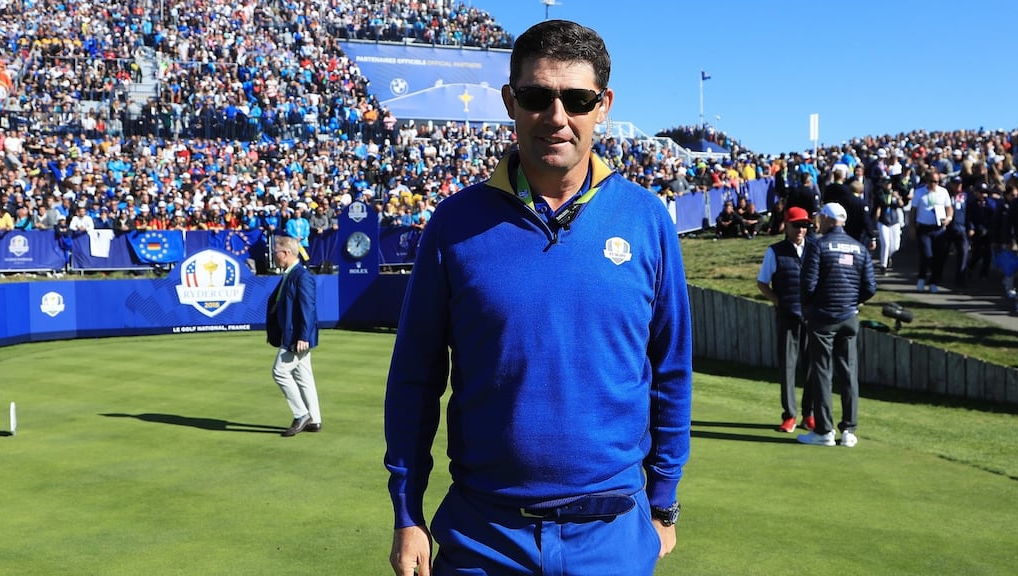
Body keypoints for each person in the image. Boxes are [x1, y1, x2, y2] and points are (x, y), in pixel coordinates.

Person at [384, 19, 692, 576]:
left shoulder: (647, 219)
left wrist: (664, 500)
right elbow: (414, 378)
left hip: (613, 533)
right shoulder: (454, 223)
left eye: (577, 98)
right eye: (536, 96)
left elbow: (670, 371)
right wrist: (407, 514)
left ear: (603, 105)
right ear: (510, 100)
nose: (557, 117)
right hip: (484, 536)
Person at [798, 203, 876, 448]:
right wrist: (853, 301)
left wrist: (810, 307)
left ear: (828, 219)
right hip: (848, 317)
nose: (815, 221)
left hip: (823, 317)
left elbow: (807, 284)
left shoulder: (818, 246)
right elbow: (870, 288)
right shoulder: (859, 248)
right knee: (849, 372)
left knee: (822, 372)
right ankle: (849, 431)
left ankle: (824, 431)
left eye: (819, 217)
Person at [757, 206, 815, 433]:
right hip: (787, 316)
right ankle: (790, 414)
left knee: (812, 367)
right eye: (797, 225)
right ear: (787, 226)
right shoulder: (775, 251)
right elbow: (763, 283)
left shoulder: (815, 249)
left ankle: (809, 414)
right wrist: (778, 302)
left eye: (805, 225)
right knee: (788, 368)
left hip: (812, 317)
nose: (801, 230)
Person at [265, 235, 321, 437]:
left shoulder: (301, 275)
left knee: (279, 372)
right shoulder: (291, 274)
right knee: (304, 377)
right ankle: (314, 419)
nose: (275, 257)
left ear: (286, 253)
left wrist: (303, 336)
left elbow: (308, 309)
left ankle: (301, 414)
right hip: (291, 335)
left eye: (276, 253)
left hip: (297, 337)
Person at [908, 170, 953, 293]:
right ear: (927, 181)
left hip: (938, 228)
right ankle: (922, 278)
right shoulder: (919, 192)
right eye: (932, 181)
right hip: (924, 228)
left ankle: (933, 281)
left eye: (937, 182)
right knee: (927, 254)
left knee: (938, 256)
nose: (934, 184)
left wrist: (948, 219)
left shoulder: (943, 192)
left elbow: (949, 209)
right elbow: (913, 211)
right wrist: (911, 227)